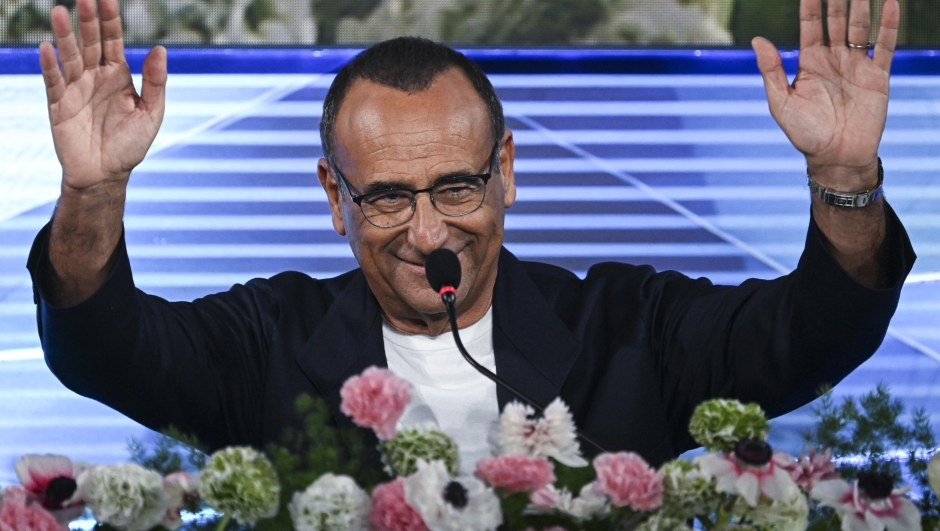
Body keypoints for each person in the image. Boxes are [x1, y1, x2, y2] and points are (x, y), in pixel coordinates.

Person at [28, 0, 915, 472]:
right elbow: (106, 352)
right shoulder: (267, 341)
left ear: (508, 173)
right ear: (332, 198)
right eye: (384, 199)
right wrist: (94, 192)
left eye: (457, 186)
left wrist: (842, 178)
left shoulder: (628, 328)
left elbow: (816, 334)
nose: (426, 231)